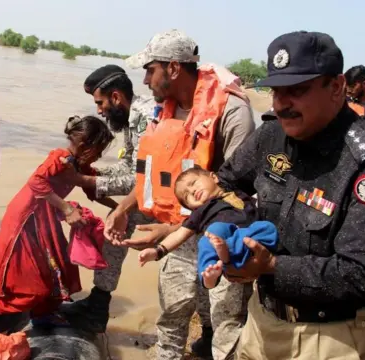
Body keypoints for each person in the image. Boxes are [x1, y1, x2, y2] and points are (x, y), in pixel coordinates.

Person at [216, 31, 365, 359]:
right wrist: (236, 237)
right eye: (276, 91)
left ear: (336, 87)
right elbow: (225, 186)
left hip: (333, 338)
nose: (281, 103)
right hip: (262, 322)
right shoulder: (270, 136)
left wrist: (271, 267)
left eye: (297, 91)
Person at [106, 29, 256, 360]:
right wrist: (124, 208)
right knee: (171, 318)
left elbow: (237, 196)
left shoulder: (232, 113)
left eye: (150, 70)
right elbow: (153, 175)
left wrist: (171, 233)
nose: (145, 80)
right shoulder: (164, 111)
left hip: (221, 241)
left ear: (173, 69)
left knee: (225, 326)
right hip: (177, 239)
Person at [0, 116, 114, 331]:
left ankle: (43, 314)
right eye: (99, 150)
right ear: (85, 145)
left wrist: (118, 209)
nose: (99, 156)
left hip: (45, 219)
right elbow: (36, 182)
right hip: (26, 218)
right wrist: (67, 208)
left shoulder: (81, 165)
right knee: (31, 285)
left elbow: (94, 189)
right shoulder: (61, 158)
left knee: (59, 271)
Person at [58, 65, 156, 333]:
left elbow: (144, 179)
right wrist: (93, 173)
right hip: (147, 193)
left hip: (168, 198)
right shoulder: (130, 118)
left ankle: (206, 331)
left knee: (116, 229)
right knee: (113, 236)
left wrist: (84, 181)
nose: (99, 111)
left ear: (115, 97)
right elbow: (128, 167)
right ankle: (98, 305)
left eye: (100, 103)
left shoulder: (146, 118)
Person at [137, 167, 278, 289]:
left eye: (193, 183)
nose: (192, 191)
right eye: (187, 197)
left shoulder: (240, 194)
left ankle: (228, 249)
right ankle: (209, 278)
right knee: (211, 236)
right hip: (222, 246)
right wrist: (158, 252)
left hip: (251, 242)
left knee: (267, 227)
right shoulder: (201, 212)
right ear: (192, 207)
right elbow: (180, 234)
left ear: (214, 177)